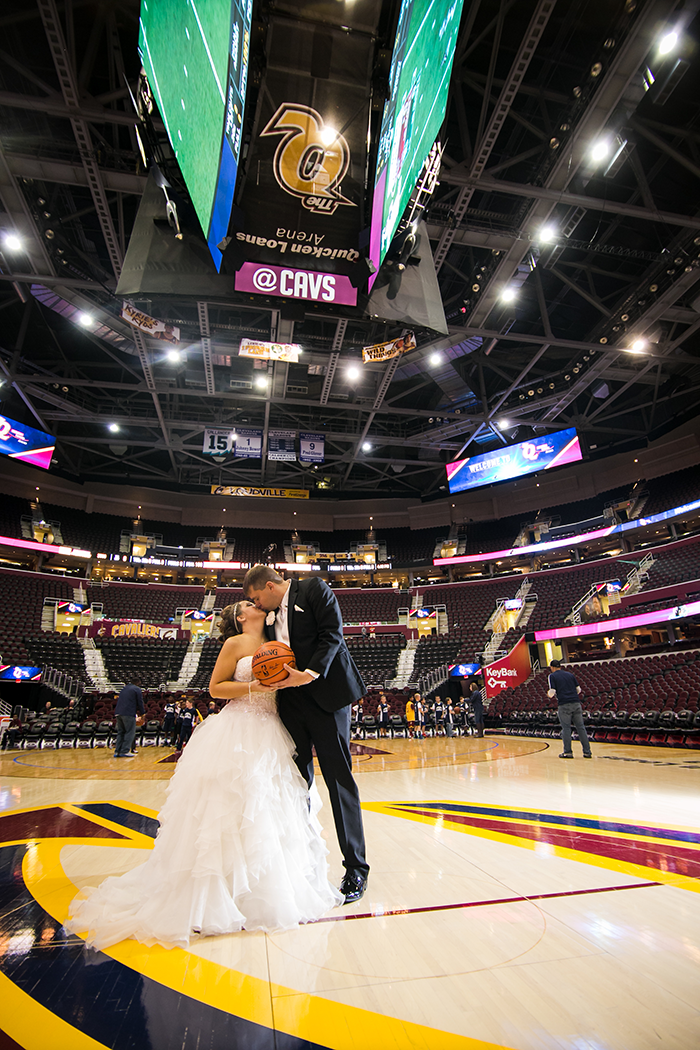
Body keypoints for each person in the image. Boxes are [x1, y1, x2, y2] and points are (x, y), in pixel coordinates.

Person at [65, 601, 342, 951]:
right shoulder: (234, 644)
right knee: (225, 812)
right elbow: (215, 688)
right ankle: (214, 898)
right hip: (238, 728)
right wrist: (255, 687)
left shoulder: (278, 641)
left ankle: (263, 895)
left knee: (268, 812)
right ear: (241, 617)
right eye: (247, 604)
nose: (255, 604)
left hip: (273, 729)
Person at [243, 564, 369, 904]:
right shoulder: (267, 618)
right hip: (290, 703)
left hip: (326, 697)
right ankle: (302, 863)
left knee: (338, 779)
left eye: (257, 598)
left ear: (270, 586)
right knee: (295, 784)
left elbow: (333, 634)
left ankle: (356, 868)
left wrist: (309, 673)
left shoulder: (314, 589)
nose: (257, 606)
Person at [547, 659, 592, 759]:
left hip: (564, 704)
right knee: (581, 728)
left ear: (552, 668)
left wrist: (549, 694)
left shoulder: (552, 676)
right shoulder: (570, 675)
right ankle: (587, 752)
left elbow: (552, 692)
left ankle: (568, 752)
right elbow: (578, 690)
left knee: (566, 728)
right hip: (576, 703)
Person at [113, 676, 144, 758]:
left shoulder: (124, 688)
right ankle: (125, 751)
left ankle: (117, 751)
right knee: (130, 732)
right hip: (128, 713)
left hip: (118, 713)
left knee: (121, 732)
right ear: (138, 683)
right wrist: (142, 713)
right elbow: (140, 702)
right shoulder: (136, 689)